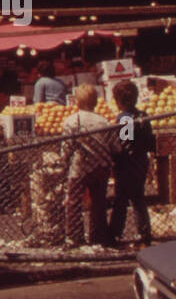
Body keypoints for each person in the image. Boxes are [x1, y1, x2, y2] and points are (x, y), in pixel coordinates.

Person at [60, 84, 114, 246]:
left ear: (76, 102)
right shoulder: (104, 121)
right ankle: (97, 236)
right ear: (96, 102)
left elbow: (67, 147)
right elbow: (113, 145)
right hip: (101, 166)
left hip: (79, 167)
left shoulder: (71, 121)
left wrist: (64, 161)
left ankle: (74, 236)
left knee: (74, 202)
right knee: (99, 202)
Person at [107, 80, 155, 247]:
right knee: (138, 199)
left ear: (118, 101)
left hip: (127, 164)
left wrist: (115, 157)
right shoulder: (143, 116)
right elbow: (150, 141)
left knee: (121, 200)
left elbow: (126, 142)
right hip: (141, 162)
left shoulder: (126, 119)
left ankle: (115, 233)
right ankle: (144, 232)